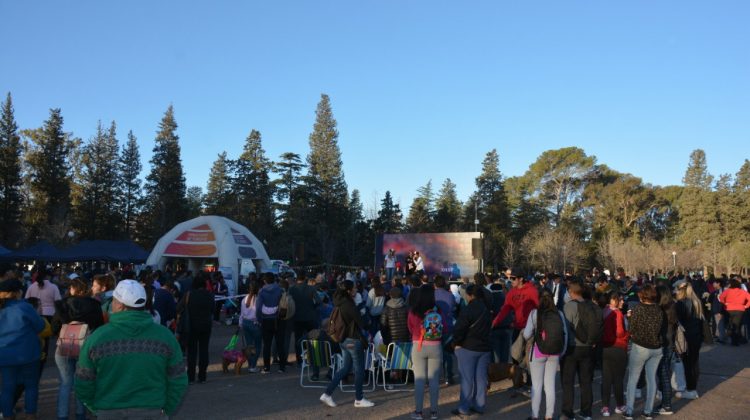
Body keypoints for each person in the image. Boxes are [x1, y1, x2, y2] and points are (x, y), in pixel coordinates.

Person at [75, 279, 187, 419]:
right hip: (151, 411)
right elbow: (178, 379)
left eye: (113, 301)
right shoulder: (165, 337)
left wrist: (97, 408)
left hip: (109, 411)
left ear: (120, 305)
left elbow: (83, 381)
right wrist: (165, 410)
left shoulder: (97, 338)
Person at [52, 278, 104, 420]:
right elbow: (100, 327)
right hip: (85, 346)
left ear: (73, 289)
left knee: (65, 383)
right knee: (82, 382)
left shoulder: (62, 305)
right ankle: (81, 415)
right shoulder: (94, 305)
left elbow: (54, 327)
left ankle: (62, 415)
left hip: (64, 345)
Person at [319, 280, 375, 409]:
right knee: (359, 370)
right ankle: (359, 398)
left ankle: (327, 393)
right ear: (349, 291)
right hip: (353, 340)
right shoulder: (349, 305)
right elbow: (363, 323)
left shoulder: (338, 302)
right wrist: (363, 311)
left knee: (345, 368)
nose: (356, 290)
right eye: (354, 288)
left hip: (343, 340)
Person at [0, 279, 46, 420]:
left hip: (5, 354)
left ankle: (7, 416)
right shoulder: (24, 307)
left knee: (7, 388)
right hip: (29, 353)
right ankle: (30, 415)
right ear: (16, 292)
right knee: (31, 386)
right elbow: (40, 326)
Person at [523, 290, 568, 420]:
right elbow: (564, 334)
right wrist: (562, 353)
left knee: (536, 386)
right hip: (554, 353)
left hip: (538, 352)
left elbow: (526, 335)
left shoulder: (534, 313)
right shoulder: (559, 313)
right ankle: (549, 416)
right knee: (550, 386)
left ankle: (535, 416)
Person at [492, 269, 539, 392]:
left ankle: (530, 383)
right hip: (517, 329)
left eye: (513, 278)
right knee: (515, 355)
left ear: (521, 279)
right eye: (509, 278)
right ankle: (518, 382)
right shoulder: (511, 293)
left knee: (529, 358)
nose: (510, 280)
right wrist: (494, 322)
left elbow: (540, 308)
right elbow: (505, 309)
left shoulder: (532, 291)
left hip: (531, 330)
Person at [624, 284, 665, 420]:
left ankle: (629, 410)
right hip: (656, 348)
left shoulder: (637, 309)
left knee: (633, 379)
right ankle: (648, 411)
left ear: (642, 296)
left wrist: (629, 317)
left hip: (640, 347)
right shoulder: (659, 310)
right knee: (651, 379)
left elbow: (632, 329)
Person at [451, 284, 492, 418]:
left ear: (470, 295)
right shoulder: (487, 309)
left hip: (468, 347)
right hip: (484, 348)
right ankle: (480, 405)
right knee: (481, 379)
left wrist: (455, 343)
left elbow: (459, 329)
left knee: (467, 379)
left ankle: (464, 407)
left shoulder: (468, 309)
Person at [408, 284, 447, 420]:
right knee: (434, 380)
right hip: (435, 346)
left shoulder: (414, 310)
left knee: (419, 380)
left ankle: (418, 412)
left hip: (418, 346)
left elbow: (410, 327)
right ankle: (434, 412)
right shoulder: (438, 310)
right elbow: (445, 327)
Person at [561, 282, 598, 420]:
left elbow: (565, 327)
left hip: (572, 347)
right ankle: (586, 412)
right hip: (588, 347)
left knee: (568, 382)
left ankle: (568, 412)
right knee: (586, 382)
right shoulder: (591, 306)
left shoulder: (569, 306)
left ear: (571, 292)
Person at [176, 272, 214, 383]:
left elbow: (179, 307)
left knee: (192, 352)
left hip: (191, 326)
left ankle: (191, 377)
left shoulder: (189, 294)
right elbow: (213, 310)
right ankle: (202, 376)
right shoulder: (209, 295)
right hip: (206, 326)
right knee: (204, 350)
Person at [674, 281, 705, 400]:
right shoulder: (697, 302)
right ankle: (692, 387)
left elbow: (678, 321)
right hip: (696, 336)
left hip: (687, 337)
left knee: (687, 364)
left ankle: (690, 389)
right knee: (694, 362)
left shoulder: (681, 304)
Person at [599, 292, 629, 417]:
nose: (622, 302)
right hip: (618, 347)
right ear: (613, 300)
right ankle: (619, 405)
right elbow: (620, 332)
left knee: (606, 378)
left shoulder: (604, 311)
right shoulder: (617, 313)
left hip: (605, 348)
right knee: (618, 379)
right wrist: (629, 333)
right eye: (619, 300)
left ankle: (605, 406)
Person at [256, 273, 287, 373]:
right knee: (280, 344)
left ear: (264, 281)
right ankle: (282, 367)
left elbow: (258, 308)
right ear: (274, 280)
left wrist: (260, 320)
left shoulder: (261, 291)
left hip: (266, 320)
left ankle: (266, 367)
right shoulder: (280, 290)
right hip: (279, 319)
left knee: (267, 345)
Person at [289, 273, 320, 367]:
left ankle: (300, 360)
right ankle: (314, 359)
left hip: (297, 317)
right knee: (313, 339)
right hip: (310, 317)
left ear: (296, 279)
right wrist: (313, 307)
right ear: (305, 278)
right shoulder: (311, 288)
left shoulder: (292, 289)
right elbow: (318, 301)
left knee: (298, 339)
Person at [655, 285, 676, 415]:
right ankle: (665, 401)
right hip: (670, 342)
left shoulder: (661, 310)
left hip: (664, 343)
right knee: (664, 372)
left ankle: (667, 404)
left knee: (663, 374)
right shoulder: (672, 307)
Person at [434, 275, 457, 384]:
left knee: (435, 354)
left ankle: (436, 377)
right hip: (448, 326)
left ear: (435, 284)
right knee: (448, 353)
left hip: (434, 328)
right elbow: (453, 308)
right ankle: (449, 377)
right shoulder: (450, 296)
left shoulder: (432, 295)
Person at [719, 278, 750, 346]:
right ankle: (735, 341)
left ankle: (730, 337)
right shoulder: (743, 291)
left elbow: (721, 297)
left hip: (729, 308)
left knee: (731, 324)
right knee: (736, 325)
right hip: (740, 309)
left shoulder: (728, 291)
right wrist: (746, 306)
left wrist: (725, 303)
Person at [239, 281, 262, 373]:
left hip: (245, 323)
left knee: (249, 345)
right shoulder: (259, 299)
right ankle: (253, 365)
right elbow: (260, 313)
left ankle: (250, 365)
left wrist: (240, 324)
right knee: (257, 346)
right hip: (255, 324)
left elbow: (241, 314)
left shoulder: (244, 299)